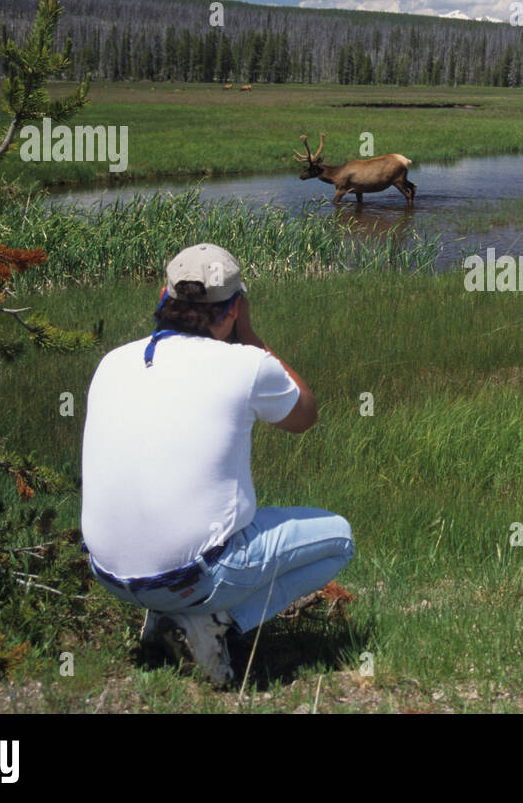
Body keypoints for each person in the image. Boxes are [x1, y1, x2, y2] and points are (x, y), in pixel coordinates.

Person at [80, 243, 353, 684]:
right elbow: (305, 414)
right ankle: (210, 622)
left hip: (109, 572)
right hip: (195, 575)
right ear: (235, 308)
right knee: (340, 538)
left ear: (164, 298)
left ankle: (166, 616)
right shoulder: (247, 365)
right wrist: (253, 337)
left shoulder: (113, 361)